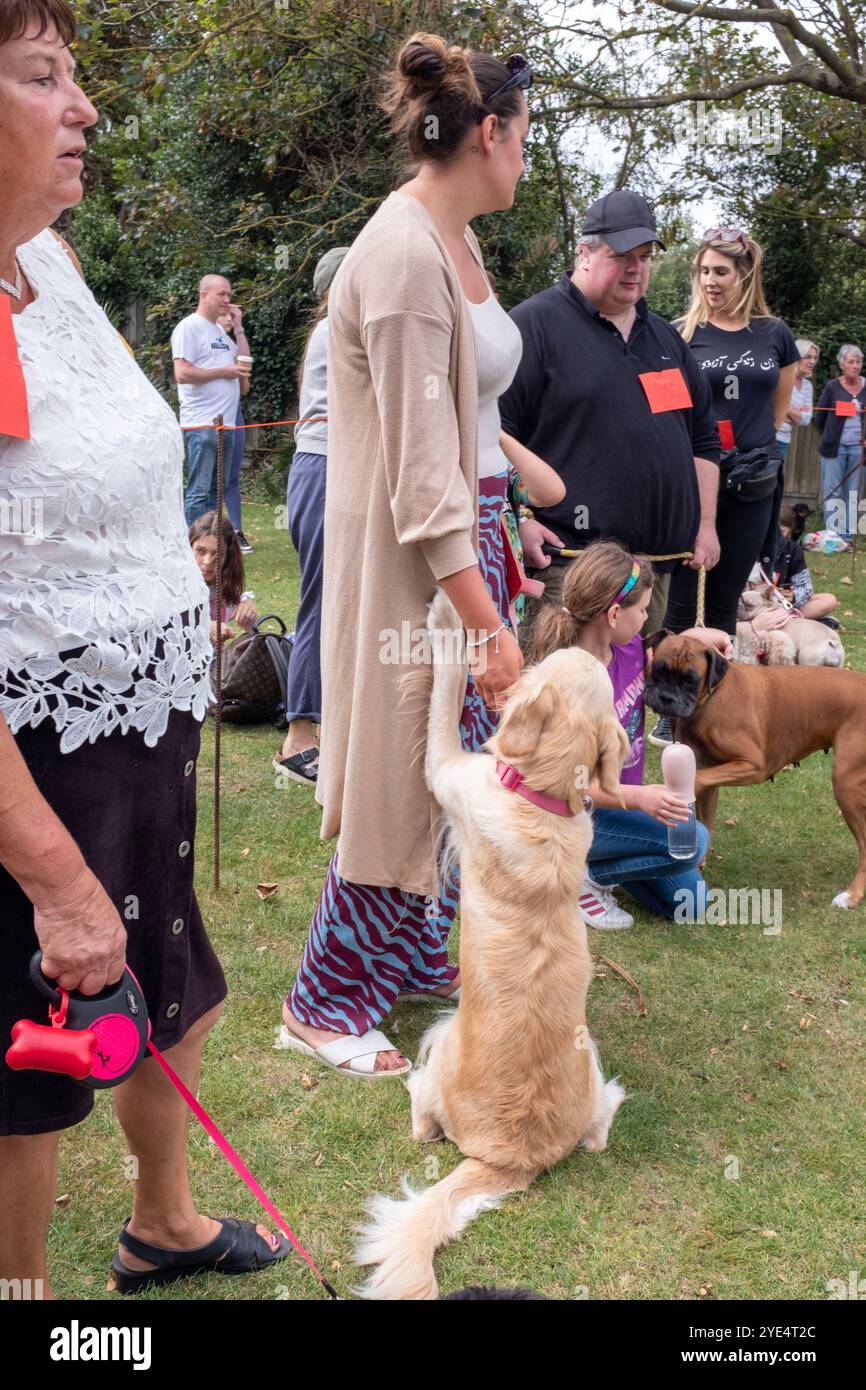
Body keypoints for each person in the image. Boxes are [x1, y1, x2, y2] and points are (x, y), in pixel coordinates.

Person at [0, 0, 287, 1295]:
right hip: (36, 761)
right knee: (33, 1065)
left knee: (171, 990)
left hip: (140, 717)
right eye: (45, 76)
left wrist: (176, 590)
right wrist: (54, 879)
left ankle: (159, 1225)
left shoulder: (44, 262)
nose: (87, 108)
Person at [279, 33, 529, 1077]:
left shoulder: (445, 243)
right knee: (400, 769)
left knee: (446, 774)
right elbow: (423, 475)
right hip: (416, 564)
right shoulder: (399, 257)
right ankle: (323, 1003)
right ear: (486, 133)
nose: (525, 155)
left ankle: (419, 944)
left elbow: (466, 428)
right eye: (523, 136)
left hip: (464, 545)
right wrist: (485, 623)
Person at [498, 187, 722, 642]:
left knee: (627, 703)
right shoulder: (532, 326)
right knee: (559, 701)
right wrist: (518, 519)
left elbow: (702, 438)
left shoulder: (665, 338)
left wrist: (705, 525)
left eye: (645, 256)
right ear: (584, 252)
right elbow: (492, 433)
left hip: (654, 569)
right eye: (622, 255)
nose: (635, 268)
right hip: (572, 568)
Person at [526, 544, 732, 927]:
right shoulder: (567, 678)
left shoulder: (633, 650)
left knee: (689, 903)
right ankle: (587, 878)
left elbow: (672, 647)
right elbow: (566, 782)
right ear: (615, 613)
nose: (646, 619)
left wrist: (706, 637)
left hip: (619, 810)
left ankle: (602, 863)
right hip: (573, 814)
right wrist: (640, 798)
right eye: (642, 610)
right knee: (695, 839)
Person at [655, 228, 799, 744]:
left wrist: (753, 453)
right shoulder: (681, 333)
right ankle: (666, 706)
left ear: (744, 275)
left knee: (725, 596)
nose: (710, 281)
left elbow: (777, 411)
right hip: (695, 479)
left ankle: (708, 710)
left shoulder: (775, 334)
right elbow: (668, 411)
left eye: (720, 271)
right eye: (703, 271)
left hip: (753, 482)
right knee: (679, 597)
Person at [273, 246, 349, 788]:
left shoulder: (336, 329)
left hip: (333, 468)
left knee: (339, 604)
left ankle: (328, 732)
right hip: (324, 469)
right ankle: (298, 739)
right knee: (320, 603)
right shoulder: (336, 332)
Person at [171, 274, 251, 525]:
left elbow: (244, 364)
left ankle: (212, 547)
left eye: (229, 295)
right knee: (200, 490)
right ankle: (192, 547)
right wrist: (224, 372)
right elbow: (182, 374)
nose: (227, 300)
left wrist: (238, 328)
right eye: (221, 294)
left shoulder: (219, 330)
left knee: (218, 492)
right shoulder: (189, 327)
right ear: (203, 295)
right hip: (202, 424)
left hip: (225, 424)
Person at [210, 308, 253, 553]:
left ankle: (236, 531)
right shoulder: (209, 342)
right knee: (211, 479)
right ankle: (209, 530)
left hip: (235, 416)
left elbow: (245, 388)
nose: (229, 318)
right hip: (212, 418)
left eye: (232, 315)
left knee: (232, 477)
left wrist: (239, 328)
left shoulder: (233, 345)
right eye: (225, 314)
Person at [815, 344, 866, 539]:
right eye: (851, 362)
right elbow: (819, 418)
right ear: (842, 364)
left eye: (858, 362)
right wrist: (829, 436)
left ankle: (848, 537)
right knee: (833, 491)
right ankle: (833, 535)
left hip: (857, 448)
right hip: (833, 448)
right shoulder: (831, 387)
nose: (855, 365)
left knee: (853, 492)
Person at [188, 511, 258, 643]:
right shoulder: (174, 589)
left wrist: (248, 612)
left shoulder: (225, 588)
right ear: (189, 547)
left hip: (217, 661)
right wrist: (205, 628)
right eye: (200, 551)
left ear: (229, 557)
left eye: (218, 554)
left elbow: (253, 633)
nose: (207, 561)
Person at [772, 503, 839, 623]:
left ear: (790, 531)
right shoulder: (752, 548)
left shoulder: (793, 550)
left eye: (781, 532)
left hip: (782, 604)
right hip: (756, 604)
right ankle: (796, 622)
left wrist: (794, 596)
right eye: (772, 531)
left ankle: (786, 620)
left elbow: (806, 587)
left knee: (829, 600)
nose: (775, 537)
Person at [776, 338, 818, 462]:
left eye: (815, 358)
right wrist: (793, 411)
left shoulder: (807, 386)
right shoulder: (779, 376)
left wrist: (784, 408)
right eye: (808, 357)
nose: (812, 362)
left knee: (775, 479)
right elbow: (768, 408)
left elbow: (805, 420)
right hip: (767, 436)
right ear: (797, 356)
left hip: (784, 440)